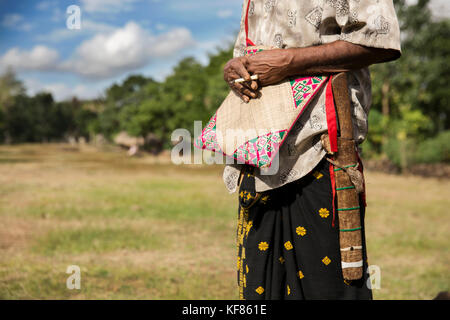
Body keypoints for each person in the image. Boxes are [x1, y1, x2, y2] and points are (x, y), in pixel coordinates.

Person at [222, 0, 401, 300]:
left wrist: (290, 61)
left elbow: (381, 39)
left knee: (326, 286)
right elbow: (248, 54)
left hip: (321, 148)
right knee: (260, 287)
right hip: (258, 149)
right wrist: (234, 69)